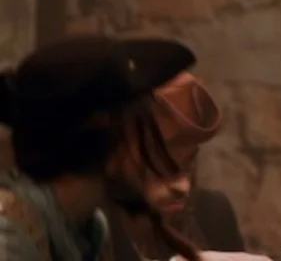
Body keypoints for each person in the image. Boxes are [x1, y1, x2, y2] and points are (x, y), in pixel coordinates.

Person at [0, 34, 201, 261]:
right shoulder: (8, 237)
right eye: (140, 132)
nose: (151, 153)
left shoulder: (91, 227)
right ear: (101, 138)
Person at [105, 72, 264, 261]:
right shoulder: (90, 226)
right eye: (165, 168)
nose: (183, 186)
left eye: (188, 165)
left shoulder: (211, 213)